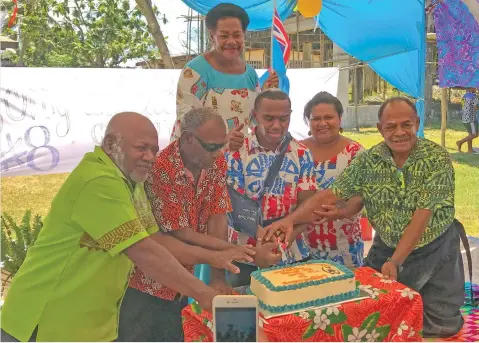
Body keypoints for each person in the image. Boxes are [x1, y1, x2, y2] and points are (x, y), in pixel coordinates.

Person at [0, 112, 223, 342]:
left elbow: (154, 239)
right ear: (110, 144)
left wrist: (218, 255)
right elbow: (143, 252)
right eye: (141, 148)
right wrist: (203, 293)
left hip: (91, 326)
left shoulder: (130, 181)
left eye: (155, 150)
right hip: (46, 322)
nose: (150, 157)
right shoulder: (97, 180)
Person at [263, 97, 465, 338]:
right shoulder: (369, 160)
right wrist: (290, 221)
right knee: (373, 317)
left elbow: (422, 217)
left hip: (434, 249)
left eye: (406, 125)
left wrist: (396, 261)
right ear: (380, 129)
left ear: (417, 123)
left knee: (438, 324)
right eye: (391, 126)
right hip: (385, 246)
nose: (399, 132)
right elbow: (330, 194)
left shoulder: (436, 159)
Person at [118, 108, 255, 342]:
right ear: (187, 138)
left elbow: (217, 215)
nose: (218, 153)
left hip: (184, 285)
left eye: (222, 145)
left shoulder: (216, 162)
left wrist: (218, 278)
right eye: (212, 146)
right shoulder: (161, 168)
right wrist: (226, 252)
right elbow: (180, 233)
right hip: (147, 283)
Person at [225, 89, 317, 287]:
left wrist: (290, 233)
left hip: (292, 253)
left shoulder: (302, 153)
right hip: (246, 256)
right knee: (247, 314)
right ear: (255, 116)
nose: (276, 125)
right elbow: (233, 206)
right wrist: (262, 240)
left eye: (283, 119)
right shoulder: (236, 153)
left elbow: (309, 207)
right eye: (268, 118)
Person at [172, 3, 278, 150]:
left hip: (238, 160)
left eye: (237, 35)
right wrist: (222, 142)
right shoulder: (195, 71)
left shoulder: (250, 74)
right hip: (201, 160)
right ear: (211, 35)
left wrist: (265, 94)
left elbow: (253, 120)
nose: (231, 41)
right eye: (224, 35)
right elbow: (186, 122)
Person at [301, 92, 365, 268]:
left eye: (329, 117)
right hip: (303, 250)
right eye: (316, 118)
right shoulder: (297, 151)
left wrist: (340, 211)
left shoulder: (355, 153)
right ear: (308, 121)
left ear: (340, 119)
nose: (323, 123)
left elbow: (361, 197)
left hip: (346, 249)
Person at [456, 87, 478, 153]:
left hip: (465, 118)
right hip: (471, 119)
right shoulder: (474, 96)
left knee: (470, 134)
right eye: (475, 87)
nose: (476, 89)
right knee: (475, 134)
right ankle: (460, 142)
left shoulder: (464, 96)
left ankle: (470, 150)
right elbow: (476, 107)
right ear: (471, 88)